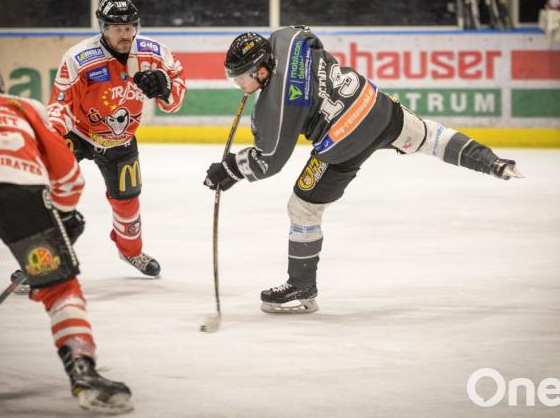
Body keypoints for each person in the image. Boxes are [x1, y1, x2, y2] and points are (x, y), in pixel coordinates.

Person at [204, 28, 523, 314]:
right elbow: (311, 37)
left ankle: (302, 286)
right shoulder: (287, 38)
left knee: (302, 207)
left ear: (261, 71)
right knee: (428, 136)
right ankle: (492, 162)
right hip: (373, 104)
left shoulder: (274, 105)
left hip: (343, 139)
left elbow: (267, 161)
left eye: (241, 78)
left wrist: (229, 169)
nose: (239, 85)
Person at [0, 55, 133, 413]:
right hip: (20, 196)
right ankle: (82, 370)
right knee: (59, 286)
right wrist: (65, 212)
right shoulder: (20, 105)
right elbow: (67, 172)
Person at [46, 0, 187, 277]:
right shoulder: (79, 58)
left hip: (120, 140)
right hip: (78, 132)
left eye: (129, 27)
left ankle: (130, 251)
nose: (125, 34)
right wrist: (50, 140)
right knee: (53, 189)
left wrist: (166, 88)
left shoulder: (155, 54)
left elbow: (174, 102)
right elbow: (60, 106)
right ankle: (43, 257)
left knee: (127, 199)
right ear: (103, 28)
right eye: (116, 28)